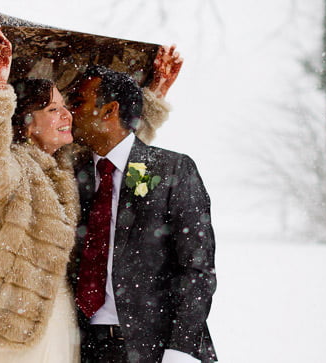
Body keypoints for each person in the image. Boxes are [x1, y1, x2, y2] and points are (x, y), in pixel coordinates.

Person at [0, 27, 181, 362]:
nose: (67, 115)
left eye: (65, 106)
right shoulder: (12, 168)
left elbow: (118, 147)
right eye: (52, 109)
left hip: (67, 316)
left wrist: (155, 95)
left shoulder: (67, 166)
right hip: (24, 317)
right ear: (28, 124)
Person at [68, 64, 217, 362]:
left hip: (156, 348)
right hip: (87, 349)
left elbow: (197, 270)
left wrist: (180, 350)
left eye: (78, 102)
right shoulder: (73, 177)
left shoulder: (169, 170)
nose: (70, 112)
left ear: (109, 111)